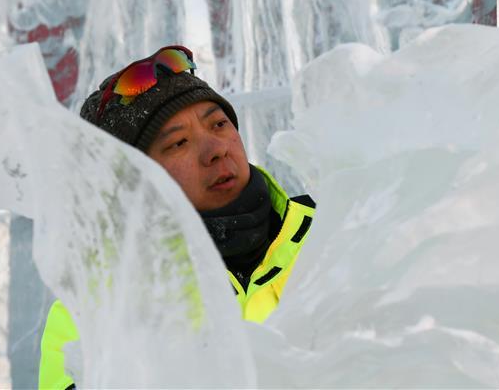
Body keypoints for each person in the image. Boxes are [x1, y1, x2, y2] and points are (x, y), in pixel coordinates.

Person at [38, 46, 315, 389]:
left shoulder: (333, 232)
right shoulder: (95, 304)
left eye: (219, 124)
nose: (216, 150)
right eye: (179, 143)